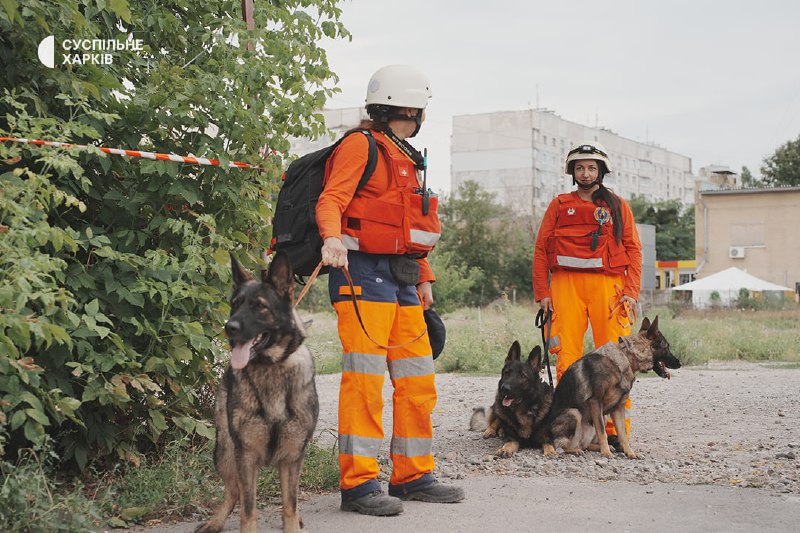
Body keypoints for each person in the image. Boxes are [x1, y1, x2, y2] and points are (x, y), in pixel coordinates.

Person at [317, 64, 464, 516]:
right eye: (420, 108)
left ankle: (412, 475)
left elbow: (410, 228)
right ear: (408, 108)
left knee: (418, 379)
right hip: (360, 272)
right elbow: (331, 200)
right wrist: (331, 238)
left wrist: (424, 278)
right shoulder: (360, 146)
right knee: (364, 381)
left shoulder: (406, 157)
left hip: (402, 277)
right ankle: (359, 485)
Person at [532, 142, 642, 445]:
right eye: (580, 167)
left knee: (617, 360)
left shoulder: (618, 206)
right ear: (572, 172)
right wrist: (543, 292)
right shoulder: (558, 205)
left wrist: (631, 291)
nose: (585, 172)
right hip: (565, 286)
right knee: (566, 357)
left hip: (609, 286)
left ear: (600, 172)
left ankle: (615, 434)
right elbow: (541, 250)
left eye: (591, 167)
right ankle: (569, 429)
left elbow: (633, 249)